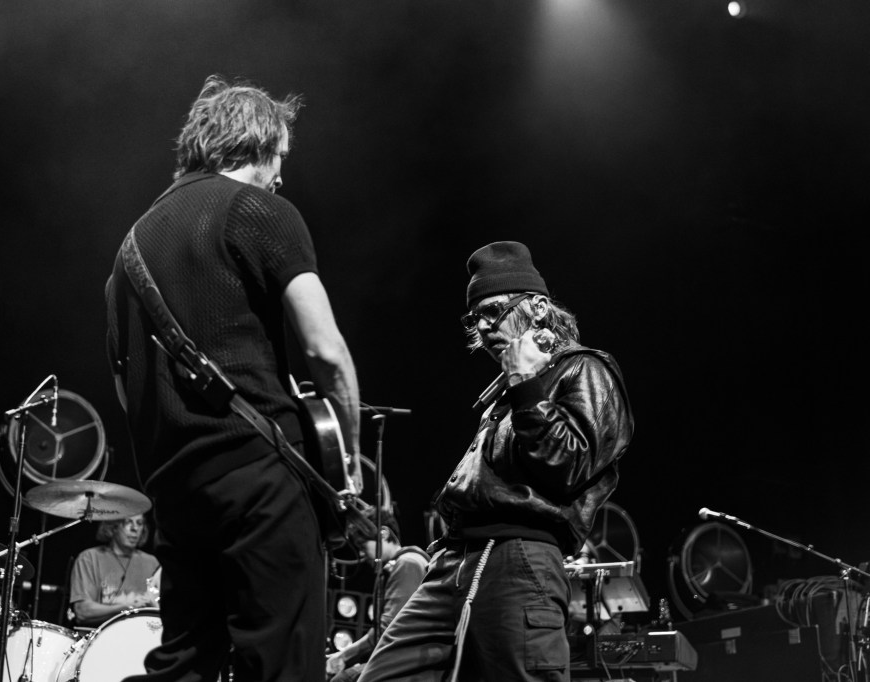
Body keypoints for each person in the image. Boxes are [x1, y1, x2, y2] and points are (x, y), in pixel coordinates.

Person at [105, 74, 362, 682]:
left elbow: (123, 386)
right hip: (260, 477)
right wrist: (347, 458)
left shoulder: (129, 250)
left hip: (176, 490)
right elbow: (325, 351)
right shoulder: (260, 210)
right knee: (282, 663)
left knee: (186, 663)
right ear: (260, 144)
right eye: (281, 158)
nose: (281, 176)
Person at [358, 241, 634, 682]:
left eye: (493, 311)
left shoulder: (583, 370)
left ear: (538, 308)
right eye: (474, 319)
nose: (484, 327)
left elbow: (568, 464)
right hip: (452, 562)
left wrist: (524, 381)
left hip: (518, 558)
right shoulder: (509, 392)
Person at [326, 511, 429, 681]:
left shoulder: (407, 563)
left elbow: (389, 628)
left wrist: (344, 656)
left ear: (383, 534)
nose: (361, 554)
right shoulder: (400, 564)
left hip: (406, 664)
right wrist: (343, 656)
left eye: (362, 545)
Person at [69, 514, 161, 627]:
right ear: (113, 526)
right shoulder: (89, 558)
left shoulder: (153, 563)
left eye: (139, 523)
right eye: (128, 522)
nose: (135, 528)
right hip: (101, 635)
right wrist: (128, 607)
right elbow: (83, 611)